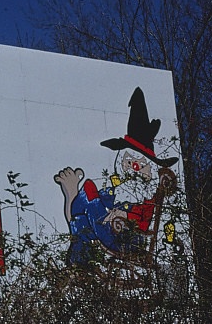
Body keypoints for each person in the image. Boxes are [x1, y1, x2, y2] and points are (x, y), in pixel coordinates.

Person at [54, 87, 178, 266]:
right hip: (109, 229)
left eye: (140, 165)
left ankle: (82, 209)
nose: (134, 167)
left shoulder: (146, 196)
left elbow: (142, 224)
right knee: (86, 204)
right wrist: (108, 194)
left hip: (128, 237)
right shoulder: (120, 188)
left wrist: (123, 215)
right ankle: (80, 262)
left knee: (89, 206)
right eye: (129, 163)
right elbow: (105, 201)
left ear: (149, 169)